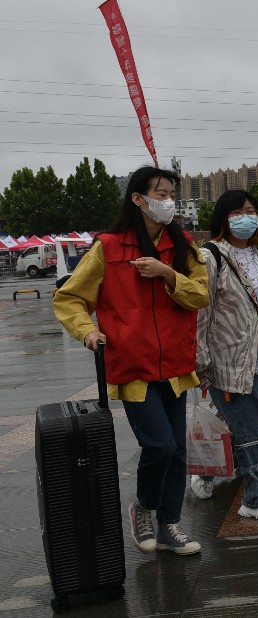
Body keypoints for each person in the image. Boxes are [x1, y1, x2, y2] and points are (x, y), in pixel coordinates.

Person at [53, 166, 209, 556]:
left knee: (177, 449)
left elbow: (200, 295)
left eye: (172, 193)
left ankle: (169, 525)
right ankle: (143, 507)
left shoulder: (182, 244)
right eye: (161, 193)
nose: (169, 201)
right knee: (159, 444)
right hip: (132, 365)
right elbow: (70, 298)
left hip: (175, 364)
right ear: (138, 199)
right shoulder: (108, 247)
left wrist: (167, 274)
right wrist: (87, 331)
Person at [191, 190, 258, 521]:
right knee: (255, 429)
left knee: (242, 425)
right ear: (223, 218)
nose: (245, 217)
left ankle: (207, 470)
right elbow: (200, 314)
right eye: (237, 212)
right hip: (228, 361)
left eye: (251, 211)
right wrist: (201, 362)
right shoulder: (210, 257)